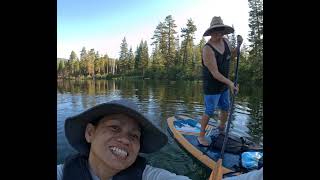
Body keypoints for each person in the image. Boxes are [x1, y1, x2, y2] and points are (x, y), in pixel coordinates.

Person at [57, 99, 191, 180]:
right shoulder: (62, 174)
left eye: (134, 136)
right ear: (90, 133)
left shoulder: (148, 176)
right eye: (114, 127)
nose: (126, 140)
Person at [197, 16, 243, 146]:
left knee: (225, 107)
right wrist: (230, 83)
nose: (218, 33)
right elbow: (215, 73)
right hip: (211, 85)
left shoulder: (226, 41)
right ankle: (201, 136)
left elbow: (231, 56)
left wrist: (239, 46)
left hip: (224, 83)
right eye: (215, 30)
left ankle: (221, 130)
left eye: (220, 30)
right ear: (210, 32)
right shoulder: (207, 49)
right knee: (210, 110)